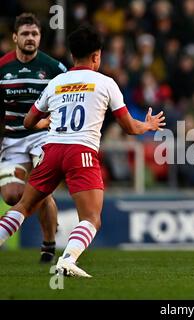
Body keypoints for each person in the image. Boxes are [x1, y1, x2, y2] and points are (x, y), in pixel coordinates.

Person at [0, 25, 165, 277]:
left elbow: (28, 122)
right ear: (97, 56)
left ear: (72, 55)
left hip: (51, 150)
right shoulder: (105, 82)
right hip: (81, 153)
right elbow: (129, 127)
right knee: (91, 218)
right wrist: (148, 125)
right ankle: (67, 259)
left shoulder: (56, 82)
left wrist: (47, 122)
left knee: (23, 206)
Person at [0, 13, 67, 263]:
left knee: (42, 190)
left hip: (43, 136)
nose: (30, 38)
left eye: (35, 34)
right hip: (13, 139)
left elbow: (68, 101)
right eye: (26, 34)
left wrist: (53, 123)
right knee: (11, 196)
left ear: (40, 38)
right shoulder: (3, 68)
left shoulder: (54, 68)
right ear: (15, 37)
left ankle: (49, 244)